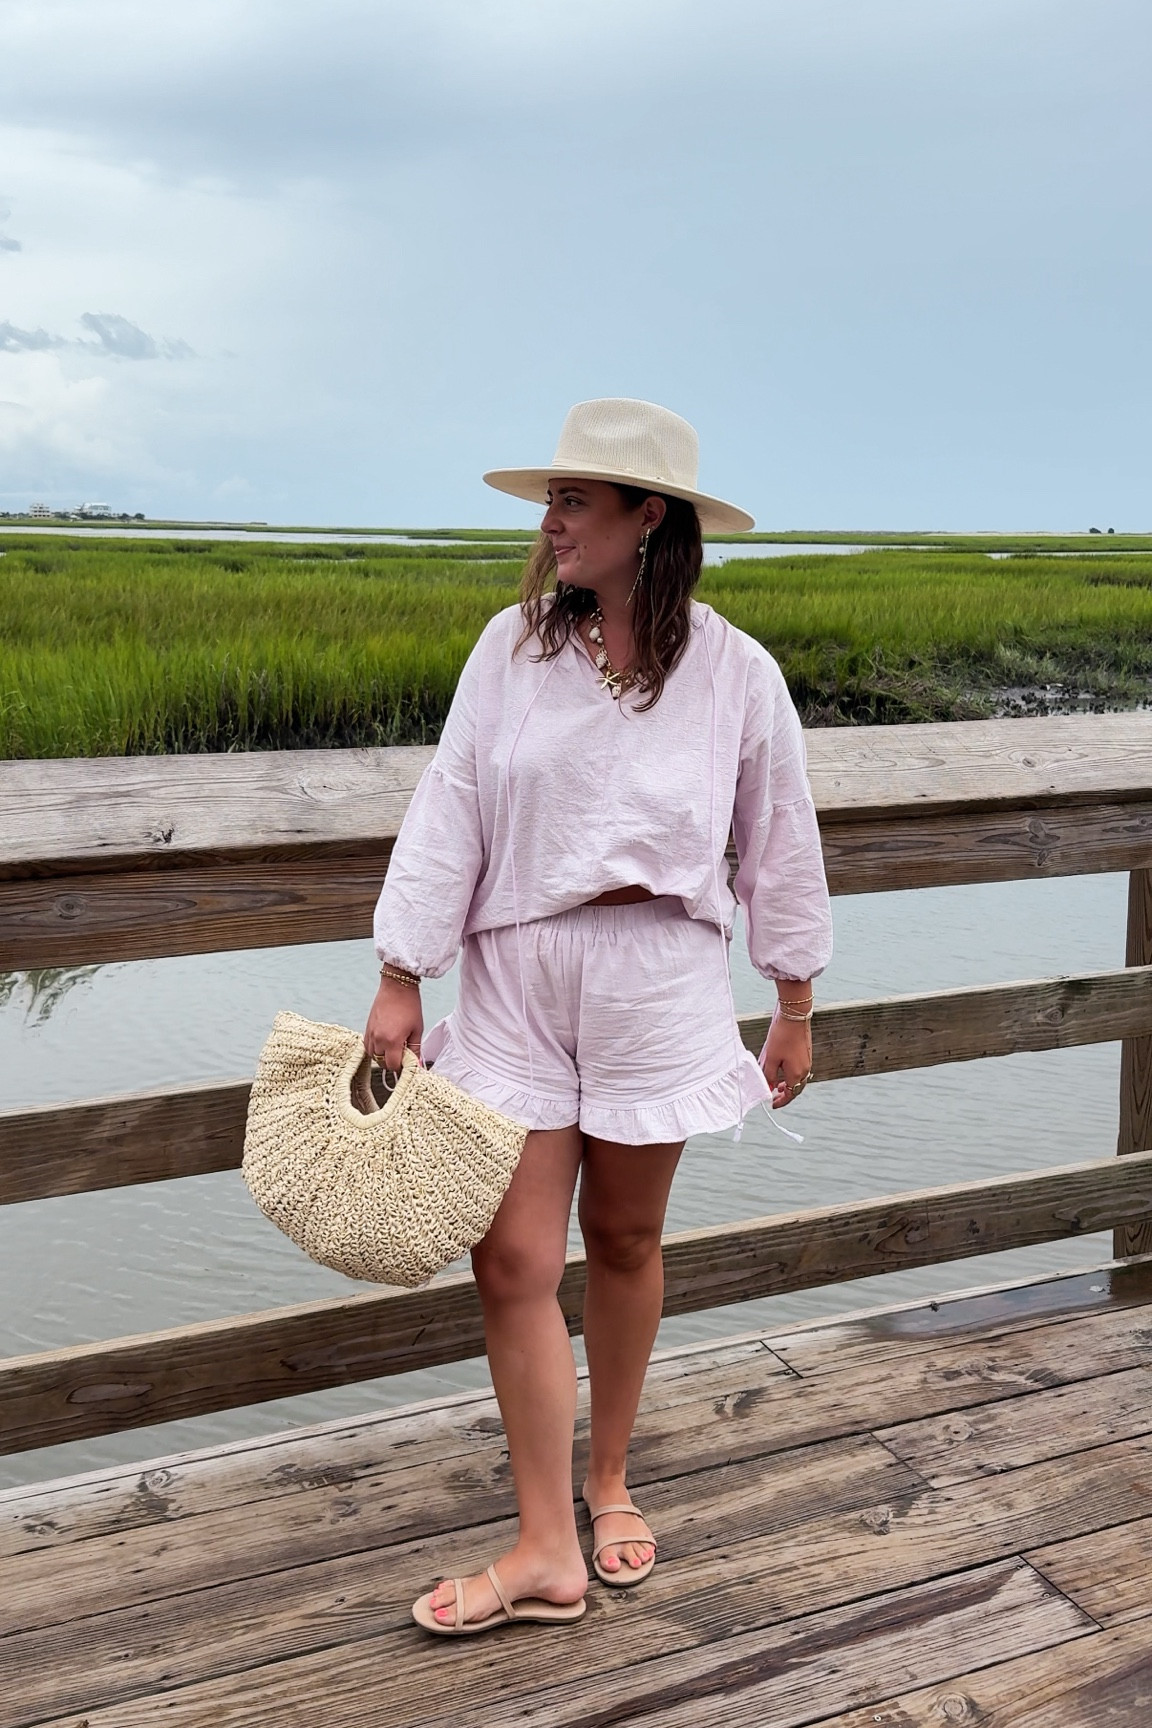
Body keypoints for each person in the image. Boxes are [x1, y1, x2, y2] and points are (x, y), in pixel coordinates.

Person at [366, 398, 832, 1636]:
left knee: (625, 1238)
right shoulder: (507, 653)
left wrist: (791, 998)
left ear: (649, 519)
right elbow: (451, 803)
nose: (553, 520)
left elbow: (780, 840)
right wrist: (403, 970)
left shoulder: (736, 672)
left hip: (658, 976)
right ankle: (542, 1546)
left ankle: (608, 1477)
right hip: (514, 974)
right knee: (510, 1256)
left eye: (580, 499)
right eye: (553, 498)